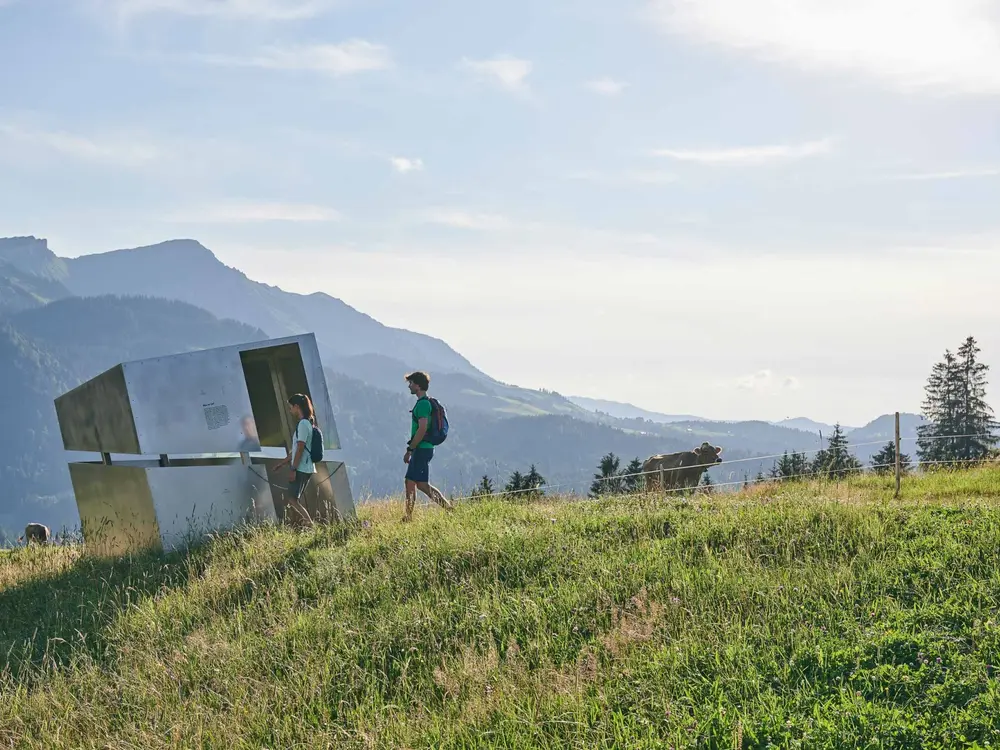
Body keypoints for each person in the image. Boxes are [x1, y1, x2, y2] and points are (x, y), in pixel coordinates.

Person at [403, 371, 454, 521]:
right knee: (418, 484)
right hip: (424, 448)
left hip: (421, 448)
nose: (409, 387)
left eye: (411, 383)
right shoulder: (424, 403)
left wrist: (410, 449)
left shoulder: (423, 404)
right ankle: (448, 509)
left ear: (418, 385)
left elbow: (422, 428)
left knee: (414, 483)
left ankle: (409, 517)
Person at [273, 393, 316, 525]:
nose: (290, 410)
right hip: (305, 466)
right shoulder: (307, 423)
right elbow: (297, 449)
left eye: (291, 407)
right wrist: (282, 463)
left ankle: (309, 523)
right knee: (292, 498)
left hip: (301, 467)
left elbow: (301, 448)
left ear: (297, 407)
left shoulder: (303, 424)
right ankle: (308, 523)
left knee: (292, 499)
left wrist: (293, 468)